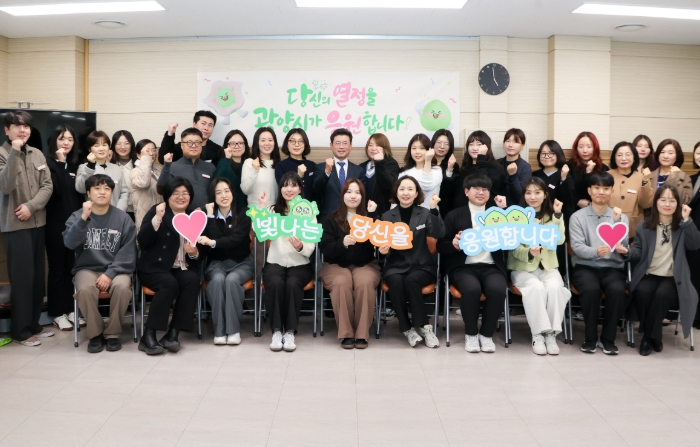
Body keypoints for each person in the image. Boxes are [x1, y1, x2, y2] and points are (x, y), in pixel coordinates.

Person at [63, 174, 137, 353]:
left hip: (117, 269)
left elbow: (128, 252)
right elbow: (69, 243)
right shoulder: (76, 216)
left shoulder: (123, 218)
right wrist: (83, 219)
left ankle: (113, 334)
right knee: (85, 290)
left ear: (112, 193)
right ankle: (95, 333)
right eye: (97, 188)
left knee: (122, 287)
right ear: (88, 193)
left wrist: (110, 274)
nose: (102, 192)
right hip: (86, 268)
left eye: (107, 189)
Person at [137, 177, 210, 355]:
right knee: (169, 283)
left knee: (192, 280)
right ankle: (148, 335)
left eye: (185, 193)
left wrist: (194, 253)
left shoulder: (195, 216)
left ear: (191, 196)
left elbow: (204, 250)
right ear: (167, 196)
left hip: (181, 267)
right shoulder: (158, 211)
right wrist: (157, 219)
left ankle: (172, 334)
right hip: (154, 267)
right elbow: (143, 240)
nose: (181, 197)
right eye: (175, 193)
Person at [0, 110, 54, 346]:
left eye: (27, 127)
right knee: (22, 280)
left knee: (37, 278)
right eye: (17, 126)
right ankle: (21, 331)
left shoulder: (37, 153)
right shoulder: (2, 154)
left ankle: (34, 324)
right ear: (7, 130)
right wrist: (14, 151)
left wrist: (31, 206)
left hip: (37, 221)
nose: (23, 130)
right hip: (15, 226)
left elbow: (47, 185)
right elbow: (5, 186)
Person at [437, 175, 508, 353]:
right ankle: (471, 334)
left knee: (498, 289)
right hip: (463, 267)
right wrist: (454, 244)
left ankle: (486, 334)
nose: (481, 192)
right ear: (466, 191)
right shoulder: (454, 215)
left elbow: (512, 238)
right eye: (476, 188)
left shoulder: (497, 214)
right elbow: (441, 245)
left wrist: (505, 211)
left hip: (491, 266)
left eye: (485, 189)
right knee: (471, 289)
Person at [629, 184, 699, 356]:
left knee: (662, 295)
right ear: (656, 202)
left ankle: (647, 338)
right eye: (663, 200)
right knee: (642, 292)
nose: (667, 204)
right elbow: (637, 250)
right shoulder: (644, 225)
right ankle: (655, 335)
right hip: (648, 273)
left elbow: (695, 244)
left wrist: (687, 220)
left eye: (672, 200)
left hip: (672, 277)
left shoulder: (682, 225)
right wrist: (626, 252)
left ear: (678, 204)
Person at [380, 176, 444, 348]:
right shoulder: (387, 216)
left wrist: (434, 210)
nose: (405, 193)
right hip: (395, 265)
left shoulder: (425, 213)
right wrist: (382, 251)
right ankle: (407, 328)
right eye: (402, 189)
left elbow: (438, 233)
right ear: (396, 192)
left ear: (416, 193)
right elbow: (381, 244)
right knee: (395, 282)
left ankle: (424, 327)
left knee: (411, 280)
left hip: (421, 265)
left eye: (410, 189)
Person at [569, 171, 630, 355]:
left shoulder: (620, 217)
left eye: (606, 188)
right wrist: (595, 251)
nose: (601, 192)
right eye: (597, 188)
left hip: (612, 267)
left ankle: (608, 339)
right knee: (591, 290)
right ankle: (590, 338)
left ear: (612, 191)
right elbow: (577, 247)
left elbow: (624, 246)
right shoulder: (577, 217)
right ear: (589, 190)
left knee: (618, 290)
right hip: (585, 267)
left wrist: (623, 249)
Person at [508, 177, 570, 355]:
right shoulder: (516, 217)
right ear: (523, 195)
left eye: (537, 192)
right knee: (535, 287)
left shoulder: (553, 215)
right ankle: (538, 334)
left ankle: (551, 334)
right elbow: (513, 248)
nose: (533, 197)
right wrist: (528, 253)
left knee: (555, 287)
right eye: (528, 193)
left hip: (548, 267)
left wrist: (558, 215)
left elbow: (559, 239)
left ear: (545, 195)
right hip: (522, 268)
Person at [319, 179, 381, 349]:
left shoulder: (369, 217)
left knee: (364, 282)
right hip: (335, 264)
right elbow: (325, 248)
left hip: (365, 264)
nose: (353, 196)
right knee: (341, 282)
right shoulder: (330, 219)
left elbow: (379, 241)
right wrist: (342, 243)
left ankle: (362, 334)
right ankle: (346, 333)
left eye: (357, 192)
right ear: (342, 195)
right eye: (349, 192)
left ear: (362, 197)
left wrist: (373, 216)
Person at [261, 172, 315, 352]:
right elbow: (259, 232)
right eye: (285, 185)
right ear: (280, 189)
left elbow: (311, 247)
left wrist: (300, 247)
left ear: (300, 189)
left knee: (292, 283)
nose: (289, 189)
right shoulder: (272, 211)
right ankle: (277, 331)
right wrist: (262, 209)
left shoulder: (308, 212)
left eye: (294, 185)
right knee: (275, 282)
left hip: (300, 263)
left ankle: (290, 332)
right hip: (275, 262)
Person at [197, 178, 254, 345]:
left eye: (227, 191)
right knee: (217, 280)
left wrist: (213, 242)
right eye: (218, 192)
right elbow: (211, 237)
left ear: (232, 193)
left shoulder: (244, 213)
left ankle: (233, 331)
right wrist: (209, 216)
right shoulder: (207, 216)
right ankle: (220, 331)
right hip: (216, 264)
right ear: (213, 196)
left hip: (242, 263)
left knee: (232, 280)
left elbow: (236, 240)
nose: (224, 195)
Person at [45, 125, 84, 330]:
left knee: (71, 268)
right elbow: (57, 190)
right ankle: (57, 312)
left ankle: (70, 309)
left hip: (75, 224)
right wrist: (60, 163)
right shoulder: (48, 163)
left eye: (70, 139)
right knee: (57, 269)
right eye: (62, 138)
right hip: (55, 224)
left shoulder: (76, 165)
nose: (66, 142)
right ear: (54, 141)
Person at [157, 128, 215, 212]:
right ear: (182, 145)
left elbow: (215, 193)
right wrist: (167, 166)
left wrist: (204, 208)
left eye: (197, 142)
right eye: (189, 143)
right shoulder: (172, 166)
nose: (194, 146)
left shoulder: (210, 167)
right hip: (179, 214)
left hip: (205, 214)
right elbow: (160, 190)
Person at [313, 128, 365, 222]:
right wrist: (326, 172)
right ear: (331, 145)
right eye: (337, 143)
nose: (341, 147)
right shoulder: (320, 168)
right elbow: (316, 190)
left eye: (345, 143)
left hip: (352, 219)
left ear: (350, 146)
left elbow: (362, 196)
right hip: (327, 219)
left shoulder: (359, 170)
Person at [608, 141, 654, 239]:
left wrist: (645, 181)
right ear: (614, 158)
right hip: (609, 227)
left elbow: (646, 204)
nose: (624, 158)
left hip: (633, 230)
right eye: (619, 155)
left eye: (628, 154)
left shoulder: (642, 177)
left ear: (634, 157)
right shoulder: (606, 176)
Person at [452, 131, 507, 210]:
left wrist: (481, 157)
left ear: (486, 147)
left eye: (479, 144)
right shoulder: (465, 167)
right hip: (463, 212)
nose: (474, 148)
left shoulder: (494, 167)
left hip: (485, 212)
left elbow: (481, 183)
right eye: (471, 144)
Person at [76, 131, 129, 211]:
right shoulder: (83, 167)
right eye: (96, 145)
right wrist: (90, 167)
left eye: (104, 145)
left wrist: (119, 211)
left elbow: (124, 192)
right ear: (90, 149)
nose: (101, 148)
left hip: (116, 213)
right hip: (93, 214)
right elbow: (81, 189)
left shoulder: (116, 168)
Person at [565, 131, 609, 220]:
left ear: (595, 148)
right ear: (576, 148)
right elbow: (566, 191)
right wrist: (577, 201)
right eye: (581, 147)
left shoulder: (603, 168)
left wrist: (589, 173)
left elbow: (604, 190)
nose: (585, 150)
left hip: (597, 212)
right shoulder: (569, 166)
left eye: (589, 147)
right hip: (574, 213)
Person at [358, 133, 399, 218]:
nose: (373, 148)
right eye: (370, 145)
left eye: (378, 145)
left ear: (385, 148)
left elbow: (389, 185)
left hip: (382, 215)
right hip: (362, 215)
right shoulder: (362, 167)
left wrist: (379, 163)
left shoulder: (391, 164)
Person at [398, 133, 443, 210]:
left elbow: (427, 187)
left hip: (429, 214)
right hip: (407, 214)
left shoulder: (436, 170)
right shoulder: (404, 171)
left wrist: (428, 161)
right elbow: (398, 195)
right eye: (414, 148)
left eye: (422, 148)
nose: (417, 152)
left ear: (429, 150)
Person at [240, 127, 280, 209]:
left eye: (270, 140)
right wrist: (255, 170)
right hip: (254, 211)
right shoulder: (249, 162)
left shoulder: (279, 165)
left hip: (275, 212)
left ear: (274, 143)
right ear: (257, 143)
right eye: (263, 140)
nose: (267, 143)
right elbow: (246, 190)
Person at [130, 139, 163, 234]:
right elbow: (144, 183)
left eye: (153, 150)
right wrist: (146, 159)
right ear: (138, 155)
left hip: (160, 215)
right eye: (147, 151)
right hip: (145, 217)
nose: (151, 153)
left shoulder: (158, 171)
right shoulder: (135, 172)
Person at [275, 128, 316, 201]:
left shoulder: (312, 165)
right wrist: (298, 176)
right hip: (290, 207)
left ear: (305, 144)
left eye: (301, 141)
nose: (296, 144)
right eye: (292, 141)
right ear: (287, 144)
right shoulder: (280, 166)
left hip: (310, 206)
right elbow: (284, 190)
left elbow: (317, 190)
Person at [531, 140, 574, 209]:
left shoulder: (565, 174)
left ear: (558, 155)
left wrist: (563, 179)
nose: (546, 156)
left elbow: (568, 200)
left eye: (551, 153)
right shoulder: (534, 175)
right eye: (543, 153)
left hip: (558, 213)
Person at [214, 129, 250, 209]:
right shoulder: (224, 162)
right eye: (232, 143)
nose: (237, 146)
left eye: (240, 143)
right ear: (226, 146)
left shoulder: (250, 164)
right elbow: (217, 181)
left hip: (249, 209)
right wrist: (227, 157)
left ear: (245, 145)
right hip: (229, 209)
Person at [649, 139, 692, 204]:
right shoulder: (649, 176)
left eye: (670, 153)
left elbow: (685, 201)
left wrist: (675, 178)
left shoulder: (685, 177)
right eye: (662, 152)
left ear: (677, 156)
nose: (665, 156)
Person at [497, 128, 532, 206]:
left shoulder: (525, 167)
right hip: (495, 210)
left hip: (515, 211)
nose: (510, 145)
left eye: (516, 142)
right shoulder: (497, 163)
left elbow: (521, 197)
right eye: (508, 141)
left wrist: (513, 176)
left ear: (522, 146)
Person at [431, 130, 459, 218]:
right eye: (439, 142)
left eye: (446, 144)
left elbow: (449, 191)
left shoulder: (454, 165)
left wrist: (449, 169)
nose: (442, 146)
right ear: (433, 143)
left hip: (444, 208)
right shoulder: (426, 161)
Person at [687, 141, 700, 328]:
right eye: (698, 153)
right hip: (693, 231)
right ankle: (695, 315)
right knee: (695, 273)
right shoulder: (692, 179)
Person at [110, 130, 137, 220]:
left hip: (135, 211)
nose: (123, 147)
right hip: (113, 210)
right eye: (118, 143)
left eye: (127, 143)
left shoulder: (138, 165)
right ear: (113, 145)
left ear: (132, 144)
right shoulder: (109, 165)